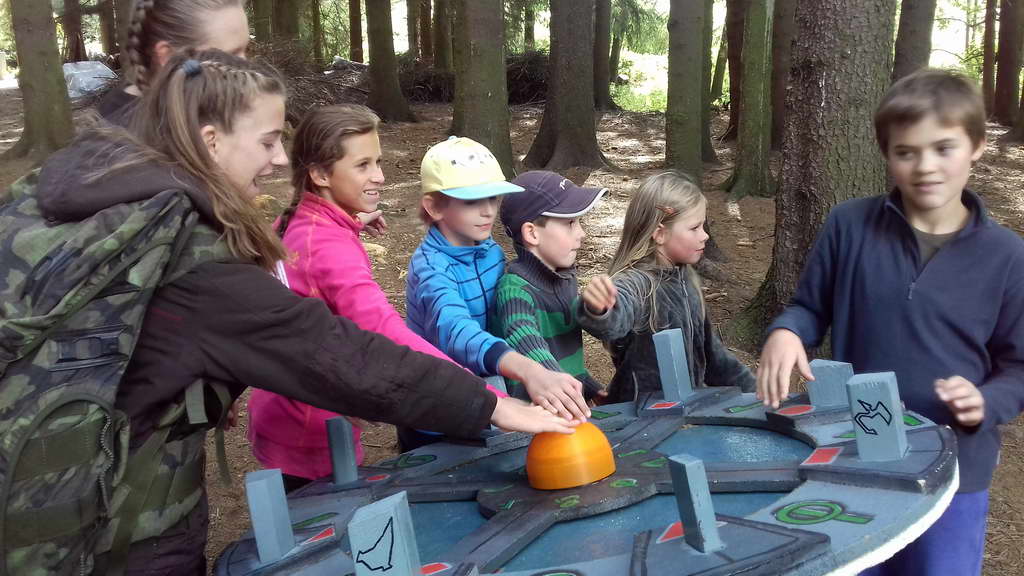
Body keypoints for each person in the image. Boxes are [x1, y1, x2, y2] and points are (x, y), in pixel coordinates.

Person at [5, 50, 575, 576]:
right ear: (210, 141)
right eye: (268, 142)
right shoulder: (194, 255)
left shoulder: (126, 205)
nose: (282, 159)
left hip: (96, 484)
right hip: (128, 524)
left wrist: (348, 223)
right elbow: (341, 348)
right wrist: (489, 402)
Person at [756, 69, 1024, 576]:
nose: (926, 166)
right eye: (906, 152)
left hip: (955, 470)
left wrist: (987, 401)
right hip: (858, 457)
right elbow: (809, 307)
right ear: (886, 154)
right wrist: (787, 331)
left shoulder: (1008, 257)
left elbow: (1019, 367)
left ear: (977, 146)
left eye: (943, 148)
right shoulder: (849, 226)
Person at [248, 105, 506, 493]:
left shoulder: (300, 222)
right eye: (363, 165)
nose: (380, 176)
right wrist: (487, 398)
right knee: (320, 518)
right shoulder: (328, 246)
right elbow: (383, 330)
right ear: (320, 174)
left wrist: (351, 222)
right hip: (311, 427)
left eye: (379, 162)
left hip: (283, 407)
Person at [405, 137, 591, 448]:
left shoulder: (490, 251)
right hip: (436, 411)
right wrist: (526, 368)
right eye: (472, 201)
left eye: (492, 198)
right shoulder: (431, 269)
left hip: (485, 395)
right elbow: (456, 331)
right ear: (435, 207)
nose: (487, 211)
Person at [579, 171, 756, 403]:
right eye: (694, 228)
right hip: (640, 416)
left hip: (685, 410)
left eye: (703, 226)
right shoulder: (638, 283)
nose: (704, 236)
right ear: (660, 234)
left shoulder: (687, 280)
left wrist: (756, 390)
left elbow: (714, 357)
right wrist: (600, 309)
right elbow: (614, 321)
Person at [492, 170, 607, 400]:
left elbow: (567, 359)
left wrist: (593, 389)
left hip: (566, 403)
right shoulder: (514, 291)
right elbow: (528, 344)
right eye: (570, 223)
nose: (582, 233)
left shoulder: (564, 280)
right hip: (534, 412)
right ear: (532, 233)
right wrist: (566, 391)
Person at [97, 0, 250, 122]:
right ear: (168, 57)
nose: (247, 67)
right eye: (231, 55)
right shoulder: (122, 143)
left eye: (246, 50)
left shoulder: (197, 105)